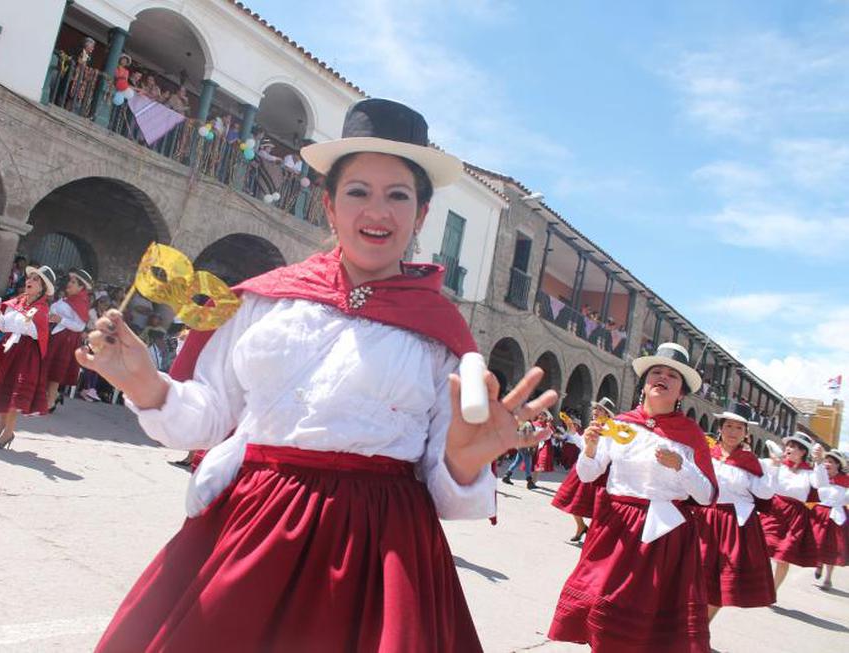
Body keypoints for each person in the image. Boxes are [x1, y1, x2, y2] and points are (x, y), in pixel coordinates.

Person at [79, 98, 559, 652]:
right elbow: (211, 417)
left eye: (398, 195)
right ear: (329, 206)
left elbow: (441, 482)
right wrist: (144, 383)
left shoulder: (441, 335)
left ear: (421, 215)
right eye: (358, 192)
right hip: (253, 522)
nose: (377, 211)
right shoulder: (265, 301)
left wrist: (467, 460)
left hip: (381, 547)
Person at [549, 342, 717, 653]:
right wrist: (588, 449)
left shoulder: (691, 436)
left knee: (645, 623)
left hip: (663, 535)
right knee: (602, 607)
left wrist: (682, 466)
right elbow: (588, 475)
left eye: (672, 375)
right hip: (615, 529)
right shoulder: (621, 425)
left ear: (681, 392)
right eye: (656, 372)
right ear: (644, 382)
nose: (662, 378)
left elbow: (706, 496)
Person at [694, 402, 776, 623]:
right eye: (728, 426)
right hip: (703, 520)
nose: (732, 432)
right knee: (694, 574)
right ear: (720, 428)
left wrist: (772, 468)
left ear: (746, 433)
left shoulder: (751, 463)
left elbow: (765, 493)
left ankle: (702, 628)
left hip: (733, 525)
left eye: (739, 428)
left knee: (720, 581)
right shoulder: (706, 454)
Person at [0, 266, 55, 450]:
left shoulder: (41, 309)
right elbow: (3, 326)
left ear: (42, 288)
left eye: (36, 279)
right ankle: (1, 424)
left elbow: (38, 335)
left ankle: (8, 432)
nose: (30, 281)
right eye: (30, 278)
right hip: (8, 349)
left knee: (14, 393)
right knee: (2, 387)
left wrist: (28, 323)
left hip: (25, 354)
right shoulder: (17, 302)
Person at [759, 431, 827, 590]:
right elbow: (758, 469)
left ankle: (771, 591)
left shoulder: (809, 472)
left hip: (795, 517)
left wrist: (819, 461)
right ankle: (757, 580)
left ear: (803, 452)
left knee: (784, 555)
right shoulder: (776, 464)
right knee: (762, 546)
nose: (789, 449)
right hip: (773, 510)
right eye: (788, 445)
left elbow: (820, 483)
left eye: (795, 447)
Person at [551, 397, 616, 543]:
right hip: (585, 467)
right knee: (572, 501)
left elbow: (604, 455)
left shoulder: (609, 431)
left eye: (599, 409)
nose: (595, 411)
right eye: (595, 408)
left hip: (599, 472)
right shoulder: (593, 426)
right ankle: (581, 527)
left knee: (595, 509)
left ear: (607, 414)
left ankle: (592, 535)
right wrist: (573, 432)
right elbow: (583, 445)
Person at [44, 269, 92, 412]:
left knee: (55, 372)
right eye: (70, 281)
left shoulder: (81, 303)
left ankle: (50, 402)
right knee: (48, 368)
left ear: (81, 287)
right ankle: (53, 396)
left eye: (73, 282)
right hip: (55, 335)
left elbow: (80, 326)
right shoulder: (65, 299)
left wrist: (61, 319)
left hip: (66, 340)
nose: (69, 284)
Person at [810, 450, 848, 590]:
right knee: (817, 542)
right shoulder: (820, 477)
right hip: (820, 513)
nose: (827, 464)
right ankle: (818, 563)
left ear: (838, 465)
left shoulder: (845, 481)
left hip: (836, 516)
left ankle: (828, 578)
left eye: (831, 462)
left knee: (832, 547)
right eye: (826, 461)